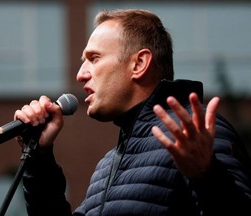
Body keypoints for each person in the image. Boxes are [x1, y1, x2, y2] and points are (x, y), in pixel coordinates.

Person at [14, 9, 251, 216]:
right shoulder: (107, 166)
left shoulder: (195, 134)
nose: (81, 74)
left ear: (139, 64)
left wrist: (206, 174)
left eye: (94, 59)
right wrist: (40, 157)